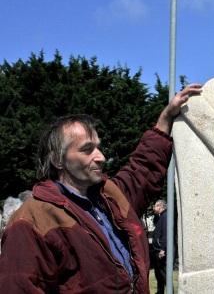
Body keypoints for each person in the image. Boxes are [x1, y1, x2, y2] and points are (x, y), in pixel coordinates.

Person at [0, 83, 202, 293]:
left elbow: (143, 170)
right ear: (58, 160)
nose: (101, 157)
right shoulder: (29, 223)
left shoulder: (111, 197)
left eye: (99, 147)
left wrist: (165, 118)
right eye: (87, 150)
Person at [152, 199, 168, 294]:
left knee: (163, 274)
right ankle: (159, 292)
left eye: (155, 206)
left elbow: (166, 234)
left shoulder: (165, 216)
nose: (154, 208)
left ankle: (170, 291)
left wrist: (163, 249)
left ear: (160, 206)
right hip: (157, 250)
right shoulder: (160, 217)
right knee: (158, 274)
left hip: (160, 251)